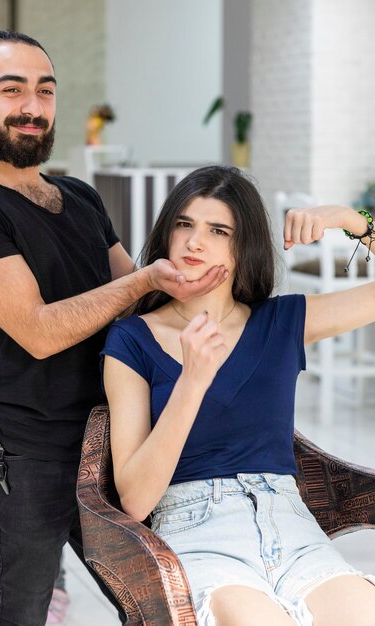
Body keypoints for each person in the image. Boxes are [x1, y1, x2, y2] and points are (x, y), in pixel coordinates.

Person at [0, 31, 227, 626]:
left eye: (45, 91)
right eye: (11, 90)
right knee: (17, 613)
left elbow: (137, 302)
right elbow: (39, 330)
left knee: (155, 601)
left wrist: (205, 265)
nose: (32, 106)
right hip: (23, 455)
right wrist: (142, 282)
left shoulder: (78, 196)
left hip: (111, 441)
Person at [101, 165, 375, 626]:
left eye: (217, 230)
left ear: (242, 246)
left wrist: (352, 220)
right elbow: (135, 500)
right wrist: (191, 382)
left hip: (293, 527)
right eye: (184, 224)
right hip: (199, 533)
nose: (194, 242)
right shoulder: (132, 340)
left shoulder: (282, 321)